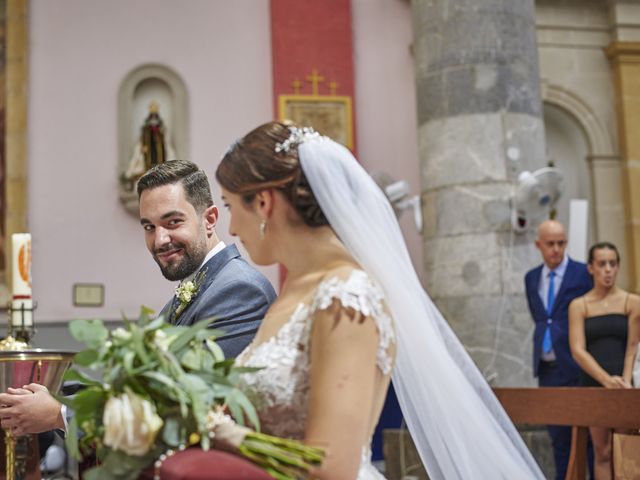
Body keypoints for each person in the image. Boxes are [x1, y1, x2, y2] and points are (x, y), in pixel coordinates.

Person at [215, 121, 544, 479]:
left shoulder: (347, 297)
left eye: (230, 206)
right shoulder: (293, 292)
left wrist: (228, 436)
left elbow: (332, 469)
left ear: (263, 202)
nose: (231, 229)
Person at [0, 160, 276, 436]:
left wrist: (60, 414)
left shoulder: (239, 290)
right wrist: (62, 398)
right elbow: (149, 391)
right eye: (149, 227)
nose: (160, 240)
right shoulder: (193, 290)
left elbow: (189, 406)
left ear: (210, 219)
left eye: (173, 222)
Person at [524, 219, 593, 480]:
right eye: (550, 244)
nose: (556, 249)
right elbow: (541, 317)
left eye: (561, 243)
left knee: (586, 437)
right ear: (538, 245)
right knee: (558, 437)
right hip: (547, 368)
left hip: (576, 365)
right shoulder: (531, 278)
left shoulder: (581, 273)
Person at [569, 242, 639, 480]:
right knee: (603, 451)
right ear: (591, 268)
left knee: (626, 450)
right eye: (602, 264)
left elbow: (632, 347)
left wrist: (626, 383)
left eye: (613, 263)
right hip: (594, 385)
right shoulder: (579, 305)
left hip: (623, 387)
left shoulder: (632, 301)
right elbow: (578, 350)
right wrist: (605, 381)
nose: (608, 269)